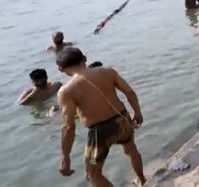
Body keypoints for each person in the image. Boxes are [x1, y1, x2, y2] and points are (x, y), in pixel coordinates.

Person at [55, 47, 146, 186]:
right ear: (84, 59)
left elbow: (69, 126)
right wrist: (137, 112)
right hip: (122, 118)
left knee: (93, 174)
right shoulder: (107, 71)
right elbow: (129, 92)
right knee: (131, 150)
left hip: (99, 131)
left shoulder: (66, 91)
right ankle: (142, 180)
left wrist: (65, 156)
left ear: (61, 69)